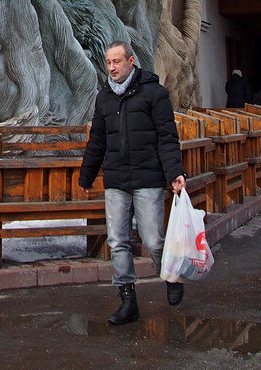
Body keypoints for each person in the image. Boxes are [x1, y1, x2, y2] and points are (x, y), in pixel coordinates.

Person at [80, 41, 186, 325]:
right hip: (116, 179)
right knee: (118, 242)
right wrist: (87, 176)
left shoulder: (154, 93)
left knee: (153, 239)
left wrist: (174, 172)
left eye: (117, 62)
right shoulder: (104, 98)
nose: (112, 68)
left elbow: (167, 137)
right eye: (108, 63)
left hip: (147, 177)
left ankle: (171, 275)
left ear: (131, 61)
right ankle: (127, 300)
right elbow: (98, 140)